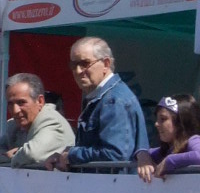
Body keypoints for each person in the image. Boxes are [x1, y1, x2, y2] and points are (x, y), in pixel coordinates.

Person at [47, 37, 145, 170]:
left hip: (112, 187)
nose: (78, 71)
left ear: (106, 63)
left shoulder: (113, 100)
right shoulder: (101, 97)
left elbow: (115, 154)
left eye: (85, 63)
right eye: (73, 65)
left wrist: (71, 155)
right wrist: (64, 155)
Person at [0, 72, 75, 169]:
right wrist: (16, 156)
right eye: (10, 104)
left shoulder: (51, 121)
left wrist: (15, 155)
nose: (15, 110)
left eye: (21, 102)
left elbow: (32, 154)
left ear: (40, 101)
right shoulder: (15, 126)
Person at [137, 95, 200, 181]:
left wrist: (169, 161)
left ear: (181, 122)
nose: (156, 124)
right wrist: (142, 156)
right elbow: (146, 153)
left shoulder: (195, 140)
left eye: (163, 119)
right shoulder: (167, 148)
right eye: (157, 119)